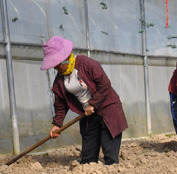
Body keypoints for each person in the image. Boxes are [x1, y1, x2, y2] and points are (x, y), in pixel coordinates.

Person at [41, 36, 128, 164]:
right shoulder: (60, 80)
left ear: (65, 59)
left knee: (110, 154)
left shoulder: (85, 63)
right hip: (88, 114)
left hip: (108, 110)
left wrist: (93, 104)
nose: (55, 68)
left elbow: (104, 84)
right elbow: (60, 103)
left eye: (56, 64)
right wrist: (57, 124)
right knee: (87, 158)